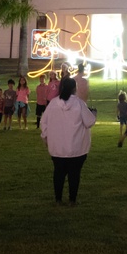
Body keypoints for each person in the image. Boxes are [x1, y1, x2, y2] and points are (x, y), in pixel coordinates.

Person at [39, 77, 96, 206]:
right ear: (74, 88)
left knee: (58, 173)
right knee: (74, 175)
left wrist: (45, 137)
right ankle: (72, 199)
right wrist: (94, 114)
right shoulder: (79, 103)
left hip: (57, 147)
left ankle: (58, 198)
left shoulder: (53, 103)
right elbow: (89, 121)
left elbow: (44, 122)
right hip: (76, 148)